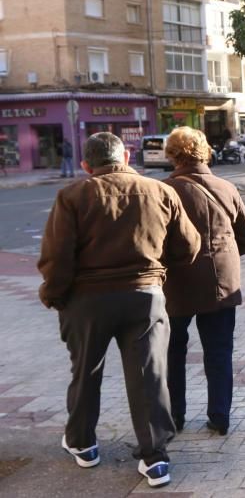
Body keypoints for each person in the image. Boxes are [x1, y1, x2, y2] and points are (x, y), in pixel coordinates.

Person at [37, 132, 201, 488]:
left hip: (87, 300)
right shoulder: (160, 191)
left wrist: (53, 294)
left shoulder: (72, 196)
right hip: (145, 295)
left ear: (85, 165)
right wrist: (157, 272)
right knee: (149, 375)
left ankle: (83, 444)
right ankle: (155, 459)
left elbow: (56, 258)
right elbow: (189, 246)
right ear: (125, 156)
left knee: (85, 371)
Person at [162, 128, 245, 438]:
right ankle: (220, 416)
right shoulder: (227, 188)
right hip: (220, 282)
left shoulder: (163, 191)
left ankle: (174, 416)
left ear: (172, 155)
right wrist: (222, 255)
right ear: (206, 153)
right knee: (218, 350)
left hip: (175, 284)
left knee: (172, 351)